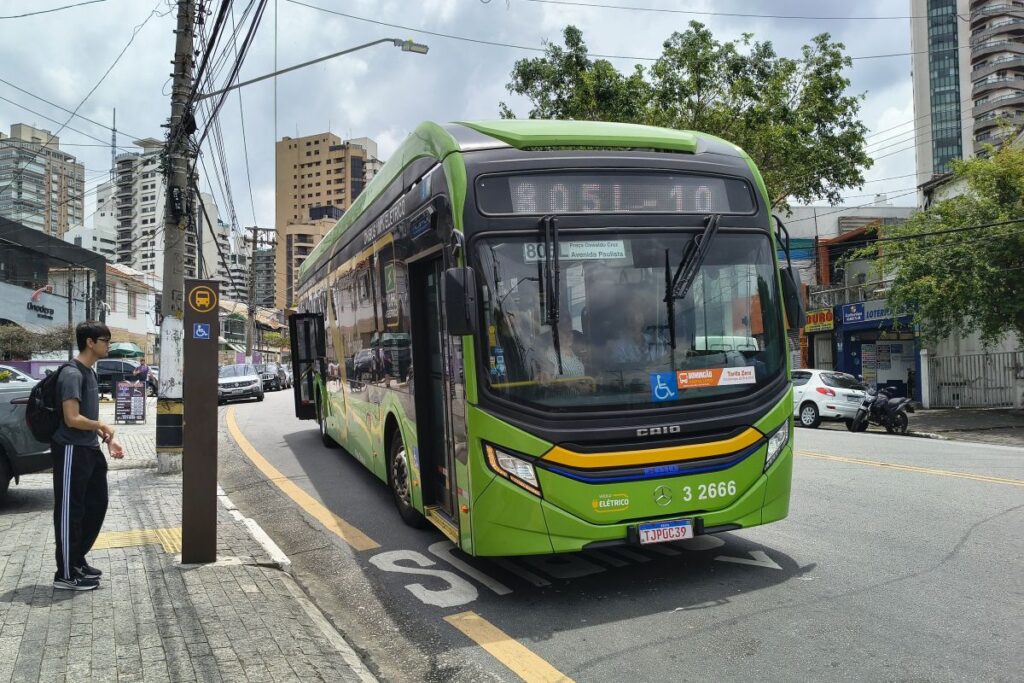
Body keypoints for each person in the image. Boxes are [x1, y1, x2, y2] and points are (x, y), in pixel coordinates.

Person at [52, 321, 125, 591]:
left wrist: (107, 438)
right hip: (71, 449)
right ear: (90, 343)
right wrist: (100, 426)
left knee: (97, 504)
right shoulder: (72, 374)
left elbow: (89, 418)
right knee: (71, 511)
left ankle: (77, 559)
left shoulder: (90, 374)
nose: (109, 345)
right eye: (105, 340)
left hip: (89, 449)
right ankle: (66, 573)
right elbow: (72, 419)